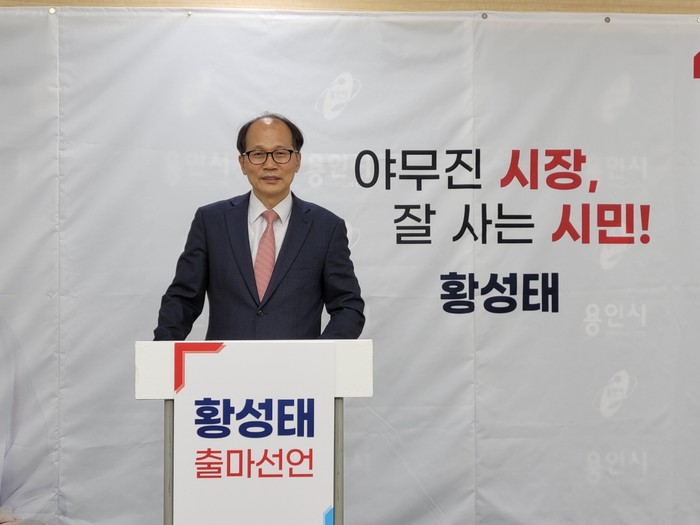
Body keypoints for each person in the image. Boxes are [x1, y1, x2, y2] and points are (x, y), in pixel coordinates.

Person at [154, 113, 365, 341]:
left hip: (297, 363)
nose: (270, 164)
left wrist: (319, 355)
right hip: (224, 362)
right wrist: (161, 352)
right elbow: (183, 300)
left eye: (281, 153)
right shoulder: (211, 221)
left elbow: (348, 307)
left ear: (297, 161)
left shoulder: (326, 228)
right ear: (242, 163)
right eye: (258, 154)